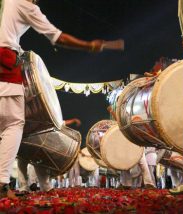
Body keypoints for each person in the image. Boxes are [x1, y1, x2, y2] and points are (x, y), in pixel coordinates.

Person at [0, 0, 105, 199]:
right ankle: (2, 183)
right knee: (13, 124)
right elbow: (58, 38)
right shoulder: (24, 4)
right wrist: (89, 45)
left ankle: (36, 185)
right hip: (5, 65)